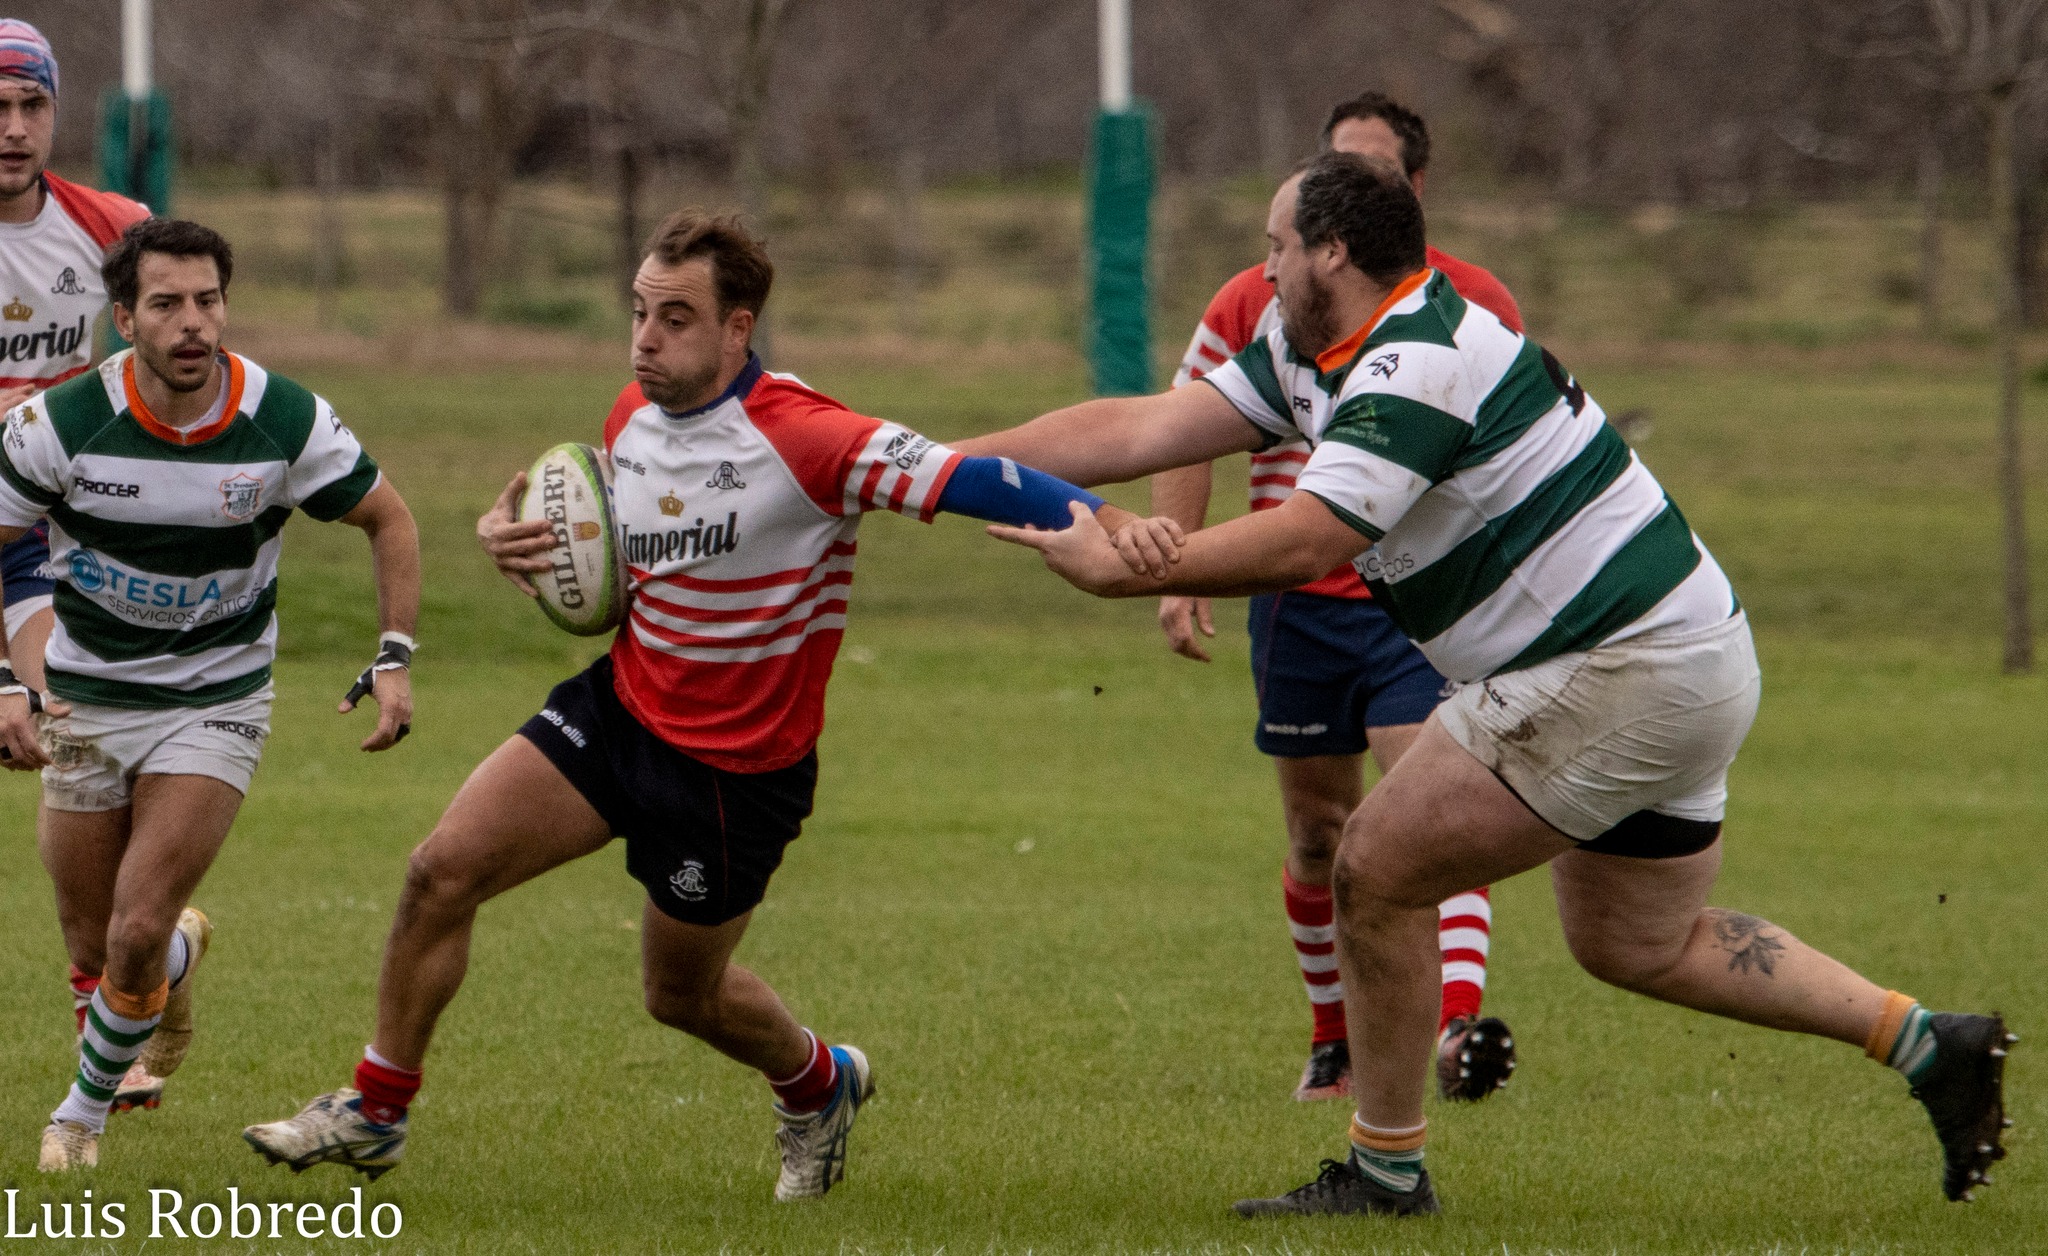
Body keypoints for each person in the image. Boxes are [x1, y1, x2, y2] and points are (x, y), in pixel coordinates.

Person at [976, 152, 2011, 1216]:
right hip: (1686, 654)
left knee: (1373, 867)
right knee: (1635, 942)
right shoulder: (1310, 345)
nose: (1264, 260)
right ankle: (1927, 1041)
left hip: (1615, 665)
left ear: (1330, 250)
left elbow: (1306, 539)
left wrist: (1132, 564)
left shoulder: (1415, 360)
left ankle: (1383, 1172)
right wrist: (928, 468)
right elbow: (1142, 425)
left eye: (1275, 242)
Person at [242, 209, 1128, 1201]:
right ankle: (376, 1107)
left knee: (680, 994)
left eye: (674, 318)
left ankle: (818, 1079)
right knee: (439, 871)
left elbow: (975, 478)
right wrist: (515, 540)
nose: (644, 340)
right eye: (637, 312)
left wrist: (1096, 524)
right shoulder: (631, 417)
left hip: (732, 776)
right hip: (620, 708)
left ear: (737, 329)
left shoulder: (812, 439)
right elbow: (616, 550)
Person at [0, 217, 420, 1171]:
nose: (193, 323)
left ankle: (79, 1118)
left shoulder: (284, 420)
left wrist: (393, 653)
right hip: (84, 698)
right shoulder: (61, 425)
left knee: (134, 920)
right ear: (122, 319)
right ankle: (172, 968)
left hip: (214, 698)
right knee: (96, 935)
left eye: (208, 301)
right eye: (166, 305)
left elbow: (389, 518)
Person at [1154, 91, 1521, 1104]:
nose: (1345, 195)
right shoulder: (1257, 299)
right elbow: (1177, 419)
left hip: (1418, 602)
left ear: (1412, 190)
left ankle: (1451, 1030)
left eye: (1370, 174)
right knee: (1318, 832)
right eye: (1334, 172)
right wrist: (1173, 564)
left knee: (1422, 814)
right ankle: (1333, 1040)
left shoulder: (1469, 302)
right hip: (1294, 602)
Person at [0, 18, 158, 1101]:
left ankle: (117, 998)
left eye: (31, 106)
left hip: (45, 549)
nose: (12, 129)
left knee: (74, 743)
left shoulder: (116, 232)